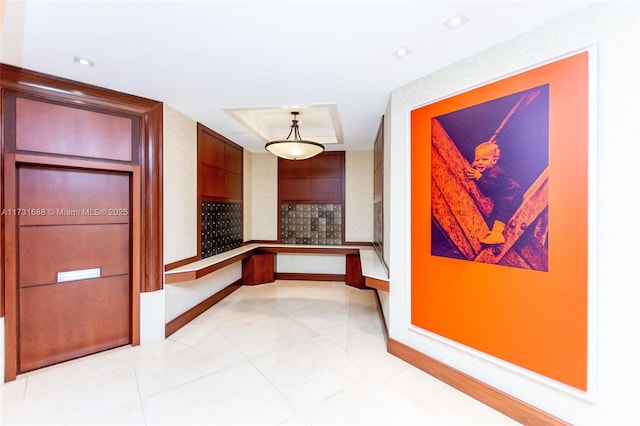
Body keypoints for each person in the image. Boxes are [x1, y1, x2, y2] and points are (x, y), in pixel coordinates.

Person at [465, 141, 522, 245]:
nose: (480, 162)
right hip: (503, 194)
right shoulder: (486, 170)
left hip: (512, 193)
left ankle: (497, 234)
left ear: (494, 161)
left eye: (485, 159)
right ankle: (493, 231)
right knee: (495, 211)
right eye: (477, 160)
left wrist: (479, 177)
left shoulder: (496, 171)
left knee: (503, 209)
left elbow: (488, 187)